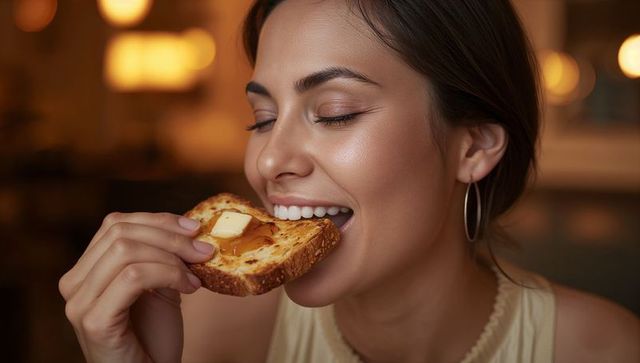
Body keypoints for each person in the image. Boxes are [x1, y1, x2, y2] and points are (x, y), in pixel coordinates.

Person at [59, 0, 639, 362]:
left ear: (475, 146)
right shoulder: (209, 331)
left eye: (334, 111)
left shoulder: (602, 349)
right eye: (262, 119)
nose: (267, 160)